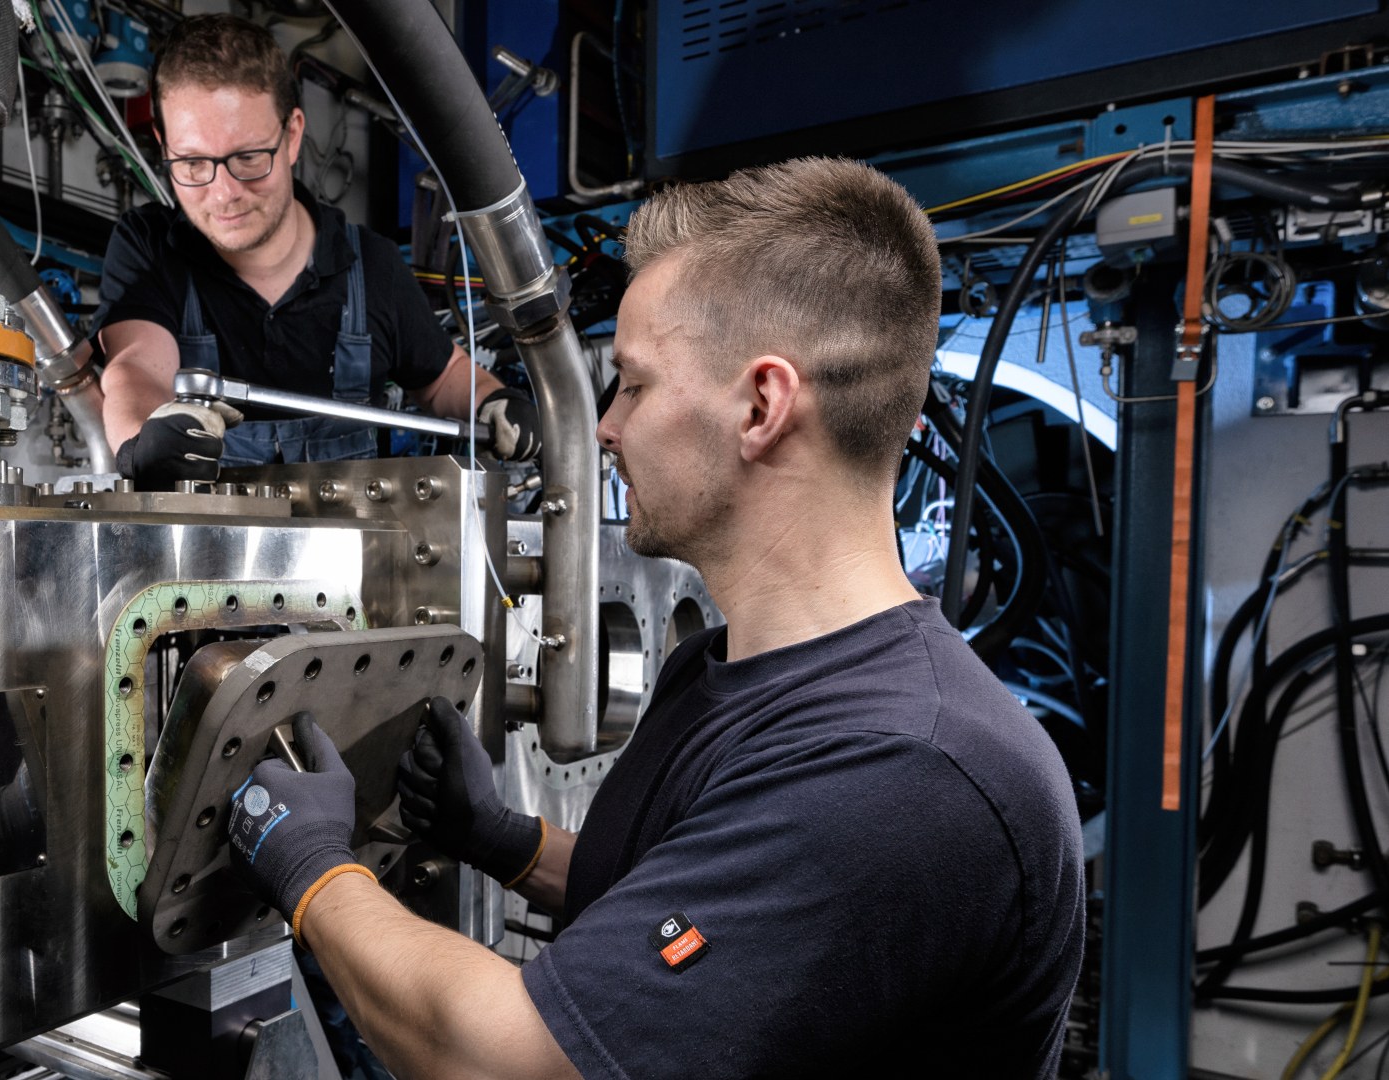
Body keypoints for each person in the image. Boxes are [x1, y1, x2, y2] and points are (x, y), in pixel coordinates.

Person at [224, 158, 1086, 1079]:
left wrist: (310, 866)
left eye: (633, 384)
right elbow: (686, 908)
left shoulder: (905, 769)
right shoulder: (723, 670)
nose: (605, 426)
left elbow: (500, 1060)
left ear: (762, 405)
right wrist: (504, 841)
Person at [92, 15, 539, 491]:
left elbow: (443, 374)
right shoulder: (150, 246)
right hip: (206, 562)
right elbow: (134, 368)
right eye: (193, 163)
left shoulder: (372, 267)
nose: (224, 192)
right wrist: (146, 441)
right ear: (164, 146)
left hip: (358, 559)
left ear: (292, 135)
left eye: (248, 158)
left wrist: (493, 401)